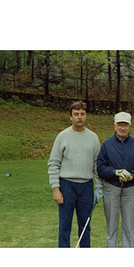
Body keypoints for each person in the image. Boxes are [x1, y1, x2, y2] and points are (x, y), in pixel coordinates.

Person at [48, 100, 103, 248]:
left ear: (86, 116)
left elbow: (96, 164)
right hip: (67, 186)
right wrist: (56, 189)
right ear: (70, 117)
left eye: (82, 114)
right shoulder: (62, 136)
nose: (79, 117)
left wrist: (99, 186)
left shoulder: (93, 137)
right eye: (76, 114)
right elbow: (54, 164)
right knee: (64, 227)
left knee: (85, 227)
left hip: (86, 187)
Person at [97, 112, 134, 248]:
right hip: (111, 188)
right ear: (114, 126)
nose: (123, 128)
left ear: (130, 126)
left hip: (131, 189)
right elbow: (100, 168)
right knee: (111, 227)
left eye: (125, 125)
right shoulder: (107, 144)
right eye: (120, 125)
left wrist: (133, 175)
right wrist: (115, 172)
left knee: (129, 228)